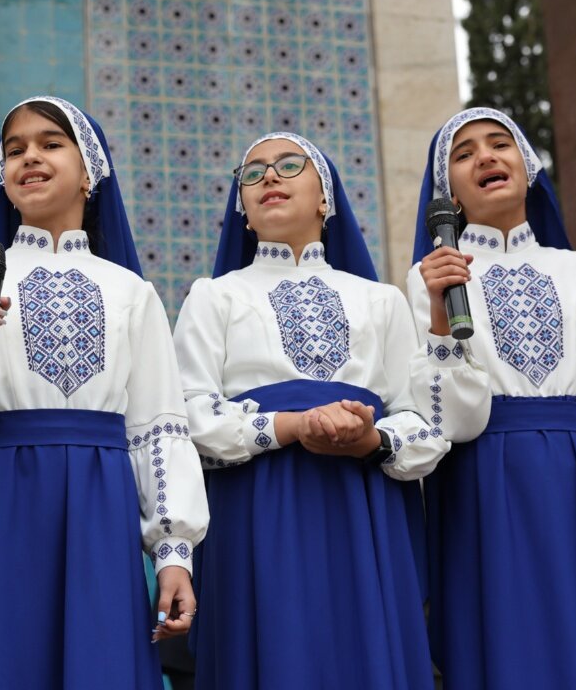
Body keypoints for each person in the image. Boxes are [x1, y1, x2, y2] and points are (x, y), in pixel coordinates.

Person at [0, 96, 208, 690]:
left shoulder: (131, 291)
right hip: (4, 497)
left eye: (50, 144)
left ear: (89, 172)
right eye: (14, 150)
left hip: (101, 500)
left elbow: (157, 427)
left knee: (101, 657)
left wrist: (173, 553)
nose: (29, 157)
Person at [409, 107, 576, 689]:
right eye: (463, 154)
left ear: (528, 166)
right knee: (510, 652)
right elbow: (445, 421)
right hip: (481, 486)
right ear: (446, 194)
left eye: (499, 144)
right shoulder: (427, 278)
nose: (485, 157)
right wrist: (440, 314)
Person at [174, 132, 446, 689]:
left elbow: (422, 420)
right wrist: (290, 426)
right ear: (243, 211)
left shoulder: (381, 300)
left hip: (362, 509)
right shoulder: (214, 296)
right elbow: (187, 414)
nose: (269, 177)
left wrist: (372, 439)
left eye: (288, 165)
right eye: (252, 173)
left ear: (326, 197)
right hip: (256, 511)